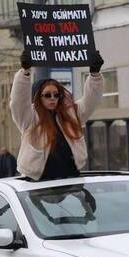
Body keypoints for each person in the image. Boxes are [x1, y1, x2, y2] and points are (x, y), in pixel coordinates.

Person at [11, 50, 104, 180]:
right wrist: (25, 72)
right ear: (38, 97)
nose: (53, 98)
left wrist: (95, 74)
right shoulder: (29, 117)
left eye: (56, 94)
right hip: (37, 183)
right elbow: (18, 101)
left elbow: (91, 100)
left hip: (70, 179)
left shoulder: (70, 114)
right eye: (47, 95)